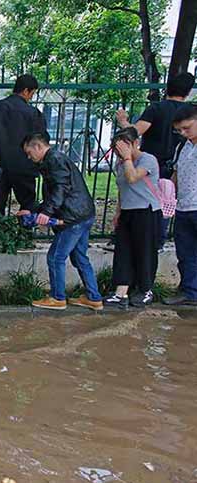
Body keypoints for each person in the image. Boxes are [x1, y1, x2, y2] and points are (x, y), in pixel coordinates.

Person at [18, 133, 103, 311]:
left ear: (38, 147)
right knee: (80, 257)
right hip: (83, 214)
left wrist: (47, 213)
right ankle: (94, 297)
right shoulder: (55, 159)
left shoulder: (54, 160)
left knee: (55, 257)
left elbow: (60, 189)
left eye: (29, 152)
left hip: (72, 218)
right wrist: (36, 211)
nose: (29, 157)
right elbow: (58, 193)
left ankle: (58, 298)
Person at [117, 72, 195, 249]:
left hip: (152, 166)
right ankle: (159, 241)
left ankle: (148, 241)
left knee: (149, 204)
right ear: (188, 92)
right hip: (177, 166)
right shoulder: (189, 113)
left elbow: (135, 132)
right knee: (168, 202)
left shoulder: (156, 109)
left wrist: (123, 121)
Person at [0, 74, 49, 214]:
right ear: (26, 91)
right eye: (32, 94)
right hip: (25, 166)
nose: (31, 97)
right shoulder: (34, 114)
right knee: (28, 204)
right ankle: (24, 233)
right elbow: (43, 139)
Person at [104, 127, 162, 309]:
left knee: (144, 251)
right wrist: (118, 212)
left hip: (146, 211)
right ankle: (121, 292)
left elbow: (132, 178)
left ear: (136, 143)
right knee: (123, 252)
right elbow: (123, 188)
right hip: (128, 211)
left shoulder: (148, 160)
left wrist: (128, 158)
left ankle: (145, 290)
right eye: (117, 147)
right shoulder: (120, 164)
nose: (119, 151)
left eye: (124, 146)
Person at [164, 105, 197, 306]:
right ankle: (190, 292)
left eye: (187, 128)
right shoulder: (182, 146)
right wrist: (168, 194)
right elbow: (176, 173)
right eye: (180, 130)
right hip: (184, 208)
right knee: (186, 253)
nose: (183, 133)